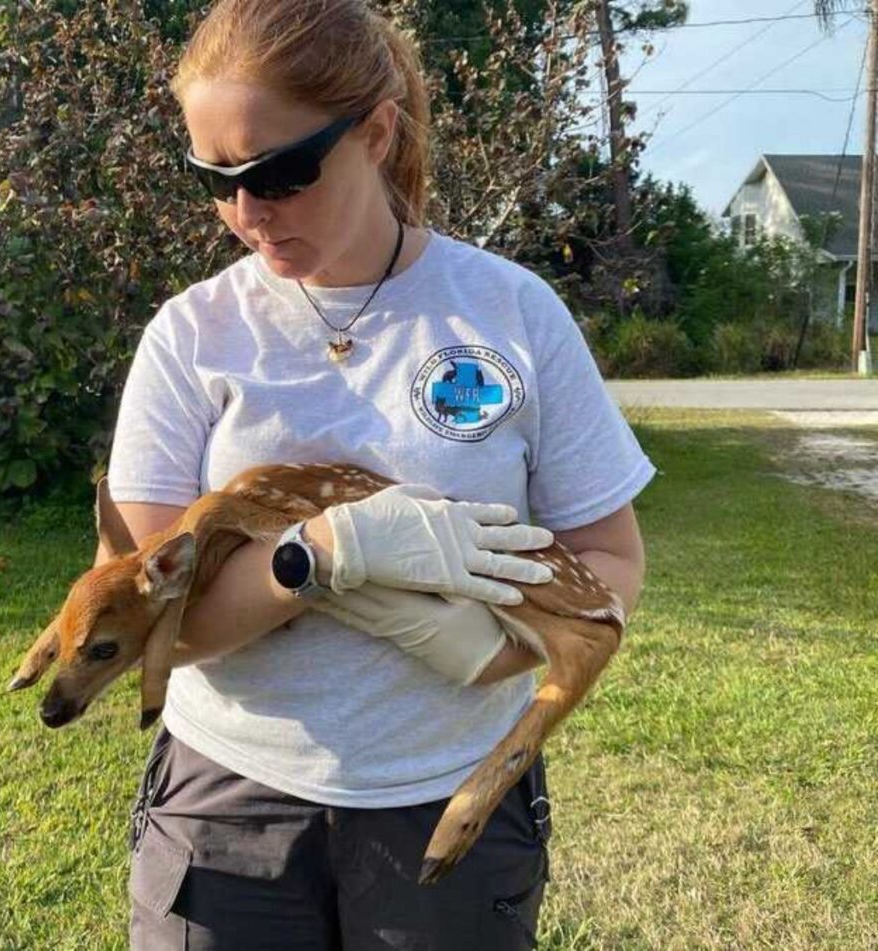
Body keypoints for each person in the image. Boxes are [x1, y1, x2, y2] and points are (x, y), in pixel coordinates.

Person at [104, 0, 656, 947]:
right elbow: (153, 621)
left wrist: (499, 648)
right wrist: (317, 555)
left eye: (279, 172)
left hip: (448, 793)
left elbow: (611, 555)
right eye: (216, 179)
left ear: (376, 131)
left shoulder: (510, 312)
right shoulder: (192, 335)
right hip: (228, 803)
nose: (247, 213)